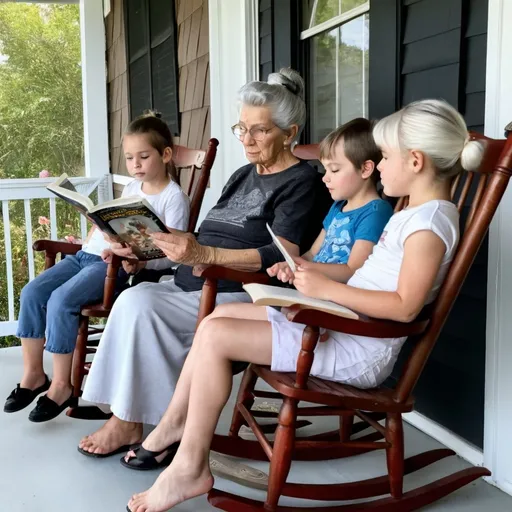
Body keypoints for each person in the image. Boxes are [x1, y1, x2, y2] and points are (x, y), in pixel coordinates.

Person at [123, 99, 484, 512]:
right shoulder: (413, 214)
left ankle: (188, 464)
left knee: (218, 334)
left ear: (415, 161)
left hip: (358, 349)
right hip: (339, 325)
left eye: (384, 157)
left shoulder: (430, 224)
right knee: (215, 318)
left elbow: (404, 308)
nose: (380, 166)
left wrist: (324, 290)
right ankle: (176, 429)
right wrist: (309, 280)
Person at [78, 68, 325, 457]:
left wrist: (203, 256)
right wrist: (146, 252)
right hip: (195, 281)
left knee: (140, 307)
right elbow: (206, 234)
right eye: (241, 128)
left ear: (290, 133)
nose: (246, 139)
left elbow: (283, 254)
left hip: (238, 292)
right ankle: (130, 418)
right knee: (134, 298)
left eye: (259, 131)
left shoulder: (302, 182)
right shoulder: (244, 175)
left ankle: (149, 424)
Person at [4, 112, 190, 422]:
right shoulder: (132, 187)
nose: (136, 165)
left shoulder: (174, 199)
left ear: (166, 154)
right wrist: (99, 224)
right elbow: (112, 224)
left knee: (61, 301)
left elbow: (173, 255)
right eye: (130, 158)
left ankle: (62, 386)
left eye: (144, 156)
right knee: (32, 292)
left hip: (112, 266)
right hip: (85, 255)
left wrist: (134, 256)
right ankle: (34, 375)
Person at [267, 118, 393, 287]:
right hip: (311, 292)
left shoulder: (375, 212)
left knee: (228, 311)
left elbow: (353, 270)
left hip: (336, 301)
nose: (325, 178)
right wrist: (292, 265)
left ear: (365, 169)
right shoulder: (338, 207)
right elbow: (312, 254)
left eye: (334, 170)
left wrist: (306, 268)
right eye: (325, 169)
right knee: (226, 310)